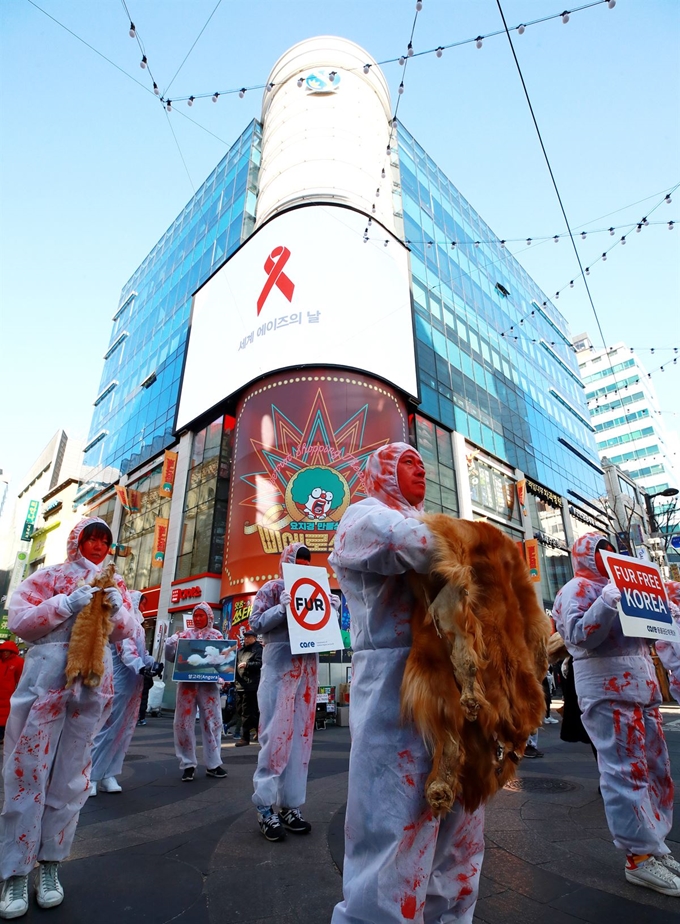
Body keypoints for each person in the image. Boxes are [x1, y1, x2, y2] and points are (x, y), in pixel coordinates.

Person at [329, 442, 485, 924]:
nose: (420, 468)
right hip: (394, 685)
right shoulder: (362, 515)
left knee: (462, 823)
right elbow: (410, 545)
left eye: (422, 462)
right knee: (395, 824)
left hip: (453, 683)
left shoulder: (432, 522)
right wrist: (476, 547)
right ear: (382, 473)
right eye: (407, 462)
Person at [0, 517, 135, 919]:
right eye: (91, 538)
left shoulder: (117, 582)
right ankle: (15, 872)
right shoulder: (50, 576)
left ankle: (51, 865)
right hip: (45, 681)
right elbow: (21, 621)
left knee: (73, 776)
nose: (97, 546)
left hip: (92, 683)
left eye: (104, 540)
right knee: (26, 772)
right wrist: (64, 603)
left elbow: (126, 630)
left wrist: (116, 609)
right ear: (77, 540)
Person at [553, 532, 680, 897]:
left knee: (656, 767)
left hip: (641, 687)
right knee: (626, 770)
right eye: (600, 550)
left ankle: (654, 844)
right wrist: (607, 604)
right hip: (607, 687)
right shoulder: (575, 590)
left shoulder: (623, 584)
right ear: (585, 555)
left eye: (611, 549)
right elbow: (578, 635)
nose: (608, 556)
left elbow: (650, 636)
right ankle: (638, 857)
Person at [250, 542, 338, 842]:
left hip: (308, 669)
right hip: (278, 666)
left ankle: (290, 806)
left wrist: (330, 609)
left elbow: (325, 627)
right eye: (296, 558)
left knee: (301, 738)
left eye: (306, 559)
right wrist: (280, 608)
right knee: (275, 736)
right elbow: (255, 624)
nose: (301, 563)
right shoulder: (272, 588)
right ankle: (265, 806)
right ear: (286, 560)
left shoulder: (317, 589)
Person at [89, 591, 162, 795]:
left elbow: (141, 652)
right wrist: (141, 667)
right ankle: (91, 775)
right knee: (107, 729)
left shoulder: (137, 626)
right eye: (141, 603)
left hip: (133, 684)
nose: (144, 607)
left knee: (123, 731)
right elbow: (126, 652)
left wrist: (152, 664)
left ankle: (108, 773)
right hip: (118, 682)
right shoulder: (122, 622)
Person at [164, 602, 227, 782]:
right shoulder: (183, 635)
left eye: (201, 615)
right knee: (183, 723)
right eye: (195, 616)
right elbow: (171, 658)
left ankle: (213, 764)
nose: (198, 619)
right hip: (187, 686)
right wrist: (170, 644)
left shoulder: (217, 635)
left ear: (209, 617)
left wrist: (222, 675)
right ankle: (188, 764)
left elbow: (223, 661)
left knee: (213, 722)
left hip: (209, 687)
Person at [234, 629, 263, 747]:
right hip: (239, 685)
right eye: (245, 637)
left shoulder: (258, 649)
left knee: (246, 713)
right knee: (242, 711)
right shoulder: (240, 651)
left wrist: (247, 665)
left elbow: (260, 664)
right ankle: (260, 730)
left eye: (249, 637)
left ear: (254, 638)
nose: (246, 639)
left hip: (251, 685)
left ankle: (245, 738)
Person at [0, 641, 24, 745]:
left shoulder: (19, 662)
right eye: (3, 651)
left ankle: (2, 736)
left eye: (8, 651)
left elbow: (21, 679)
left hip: (8, 695)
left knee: (5, 718)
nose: (5, 653)